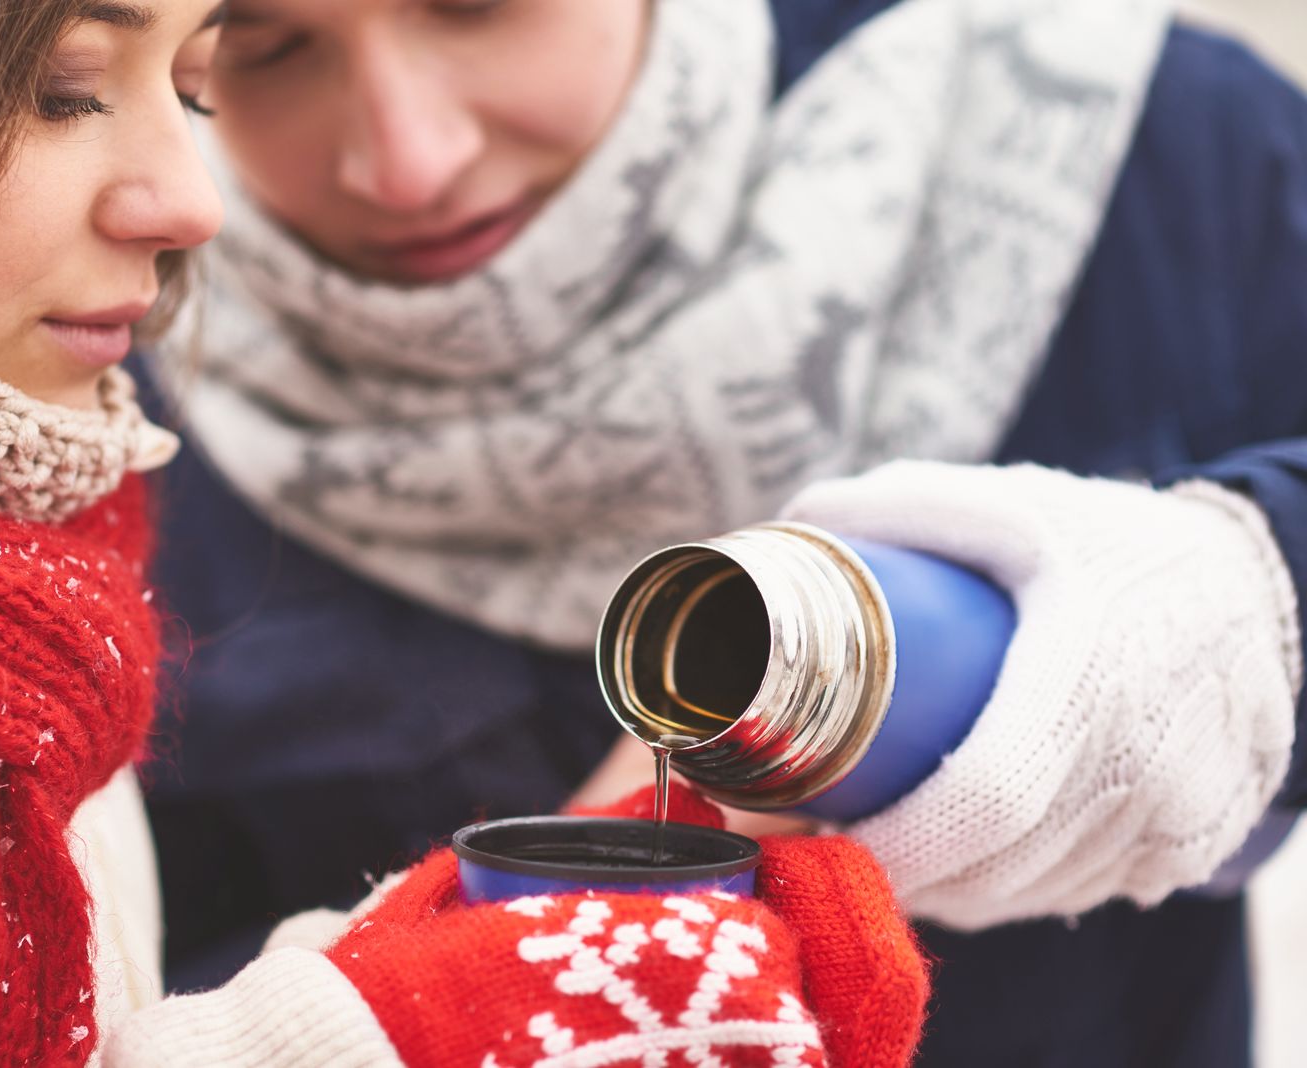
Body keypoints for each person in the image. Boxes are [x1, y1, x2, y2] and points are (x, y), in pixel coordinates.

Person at [0, 1, 929, 1065]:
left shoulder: (20, 579)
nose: (193, 203)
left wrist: (475, 948)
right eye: (62, 92)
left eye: (193, 85)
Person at [139, 0, 1307, 1064]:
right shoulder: (119, 368)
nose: (407, 161)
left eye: (477, 5)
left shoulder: (1142, 152)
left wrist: (1203, 612)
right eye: (265, 45)